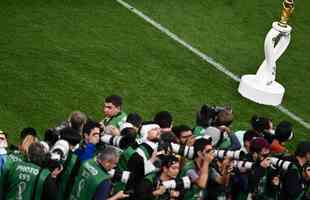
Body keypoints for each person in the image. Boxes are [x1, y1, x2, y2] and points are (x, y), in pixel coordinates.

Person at [125, 123, 162, 193]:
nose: (159, 131)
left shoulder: (153, 146)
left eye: (159, 129)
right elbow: (138, 171)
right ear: (146, 132)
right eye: (154, 129)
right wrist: (152, 162)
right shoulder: (142, 150)